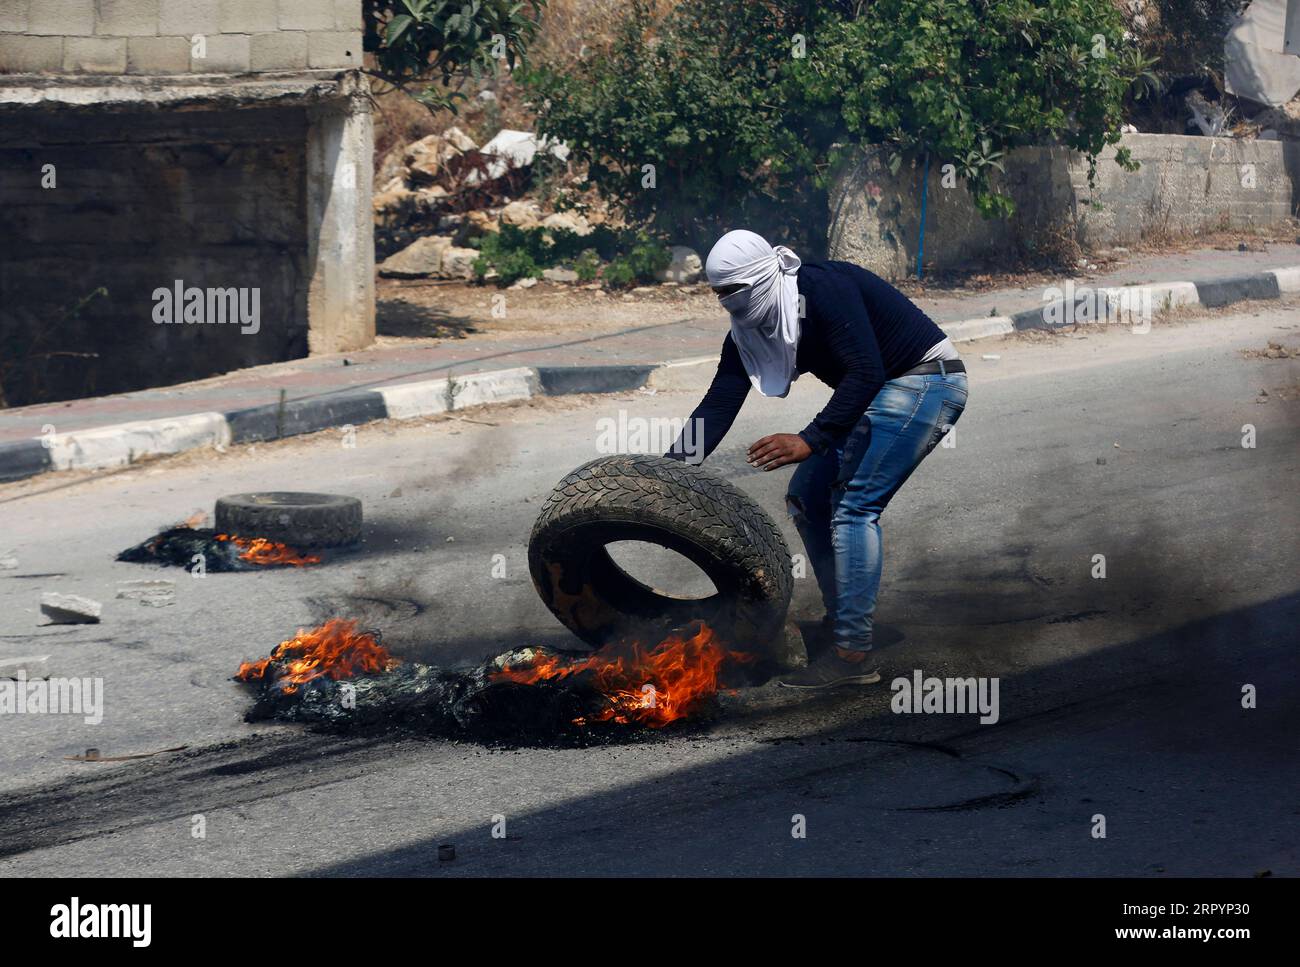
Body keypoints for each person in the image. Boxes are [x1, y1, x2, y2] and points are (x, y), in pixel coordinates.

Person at [664, 229, 968, 688]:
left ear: (762, 277)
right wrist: (668, 470)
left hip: (925, 381)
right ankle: (843, 621)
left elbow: (866, 371)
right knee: (807, 497)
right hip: (880, 392)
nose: (728, 302)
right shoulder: (751, 329)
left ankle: (851, 656)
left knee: (854, 508)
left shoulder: (822, 290)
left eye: (734, 291)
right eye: (719, 295)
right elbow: (721, 400)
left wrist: (811, 439)